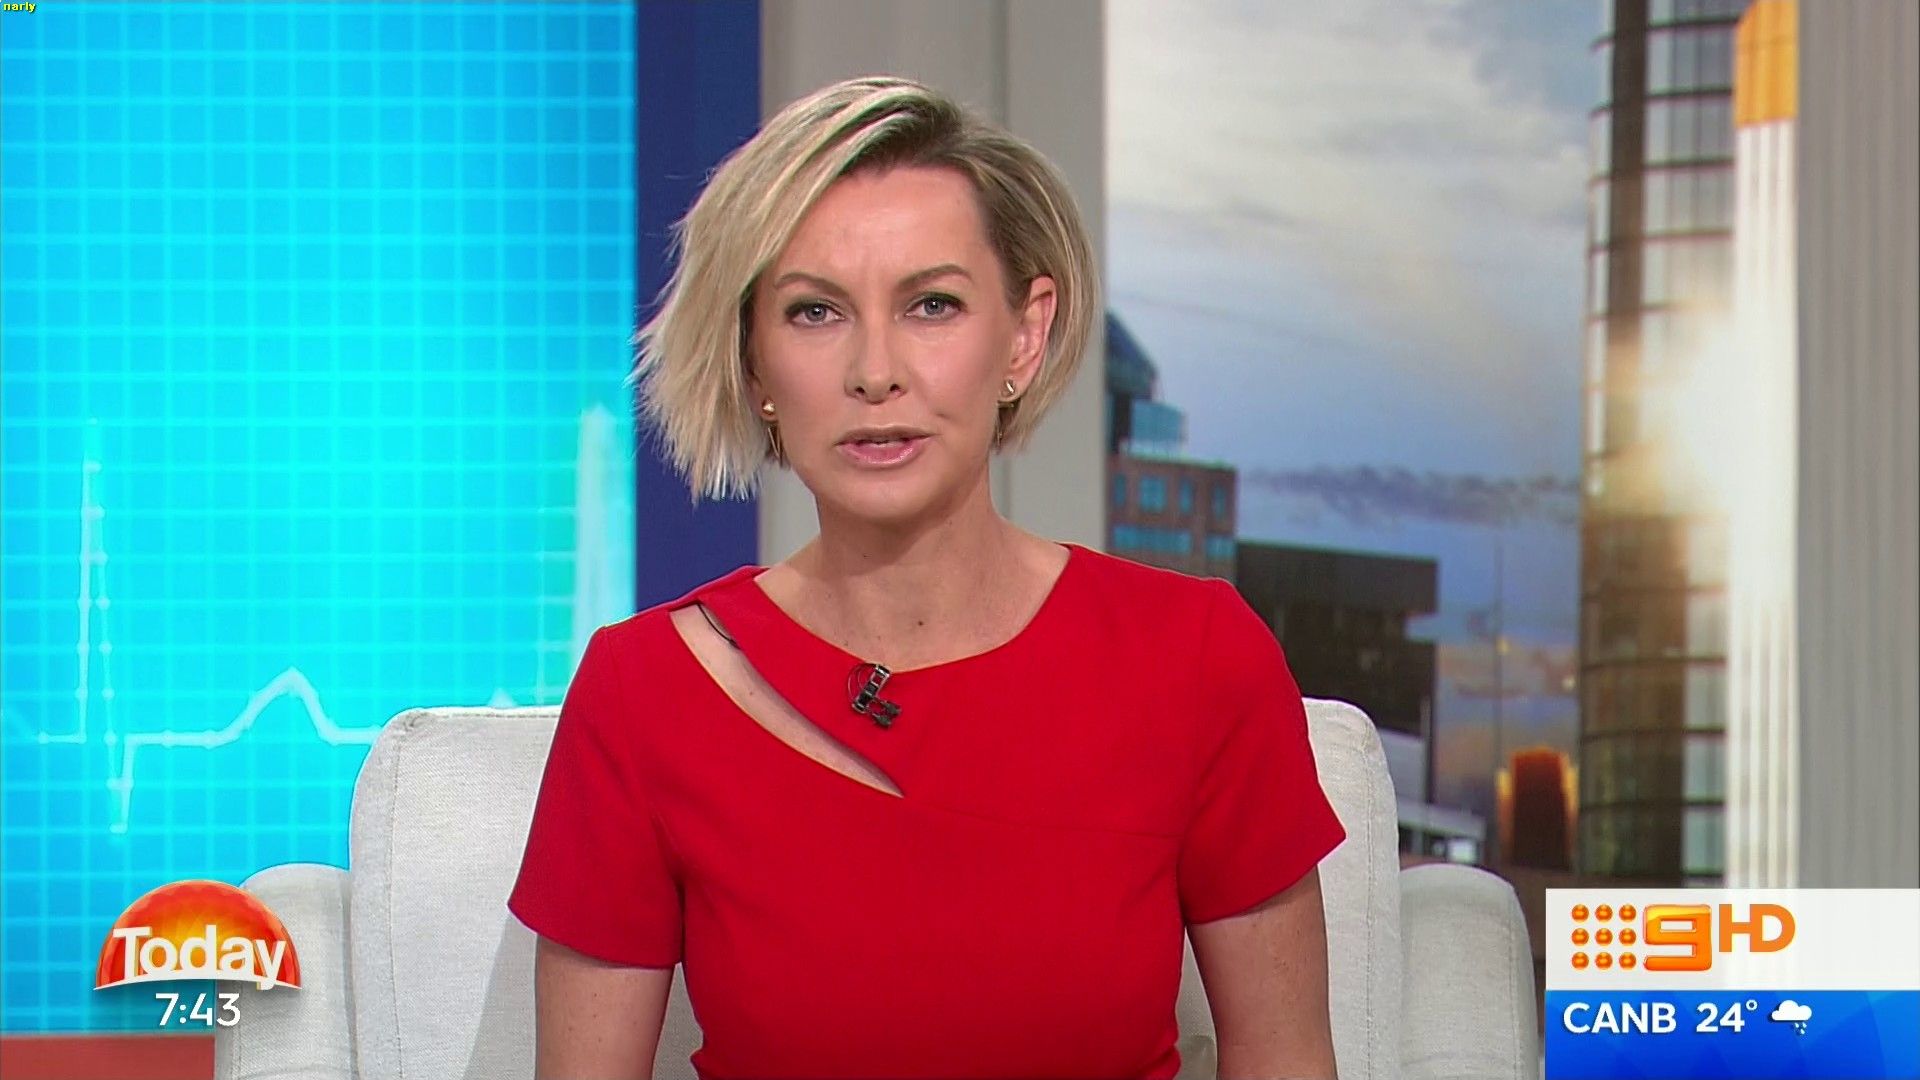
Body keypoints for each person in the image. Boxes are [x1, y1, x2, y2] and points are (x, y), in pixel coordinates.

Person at [507, 74, 1346, 1080]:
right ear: (756, 365)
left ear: (1024, 336)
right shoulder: (644, 690)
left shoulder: (1196, 659)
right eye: (815, 312)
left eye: (932, 305)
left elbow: (1287, 1059)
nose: (875, 371)